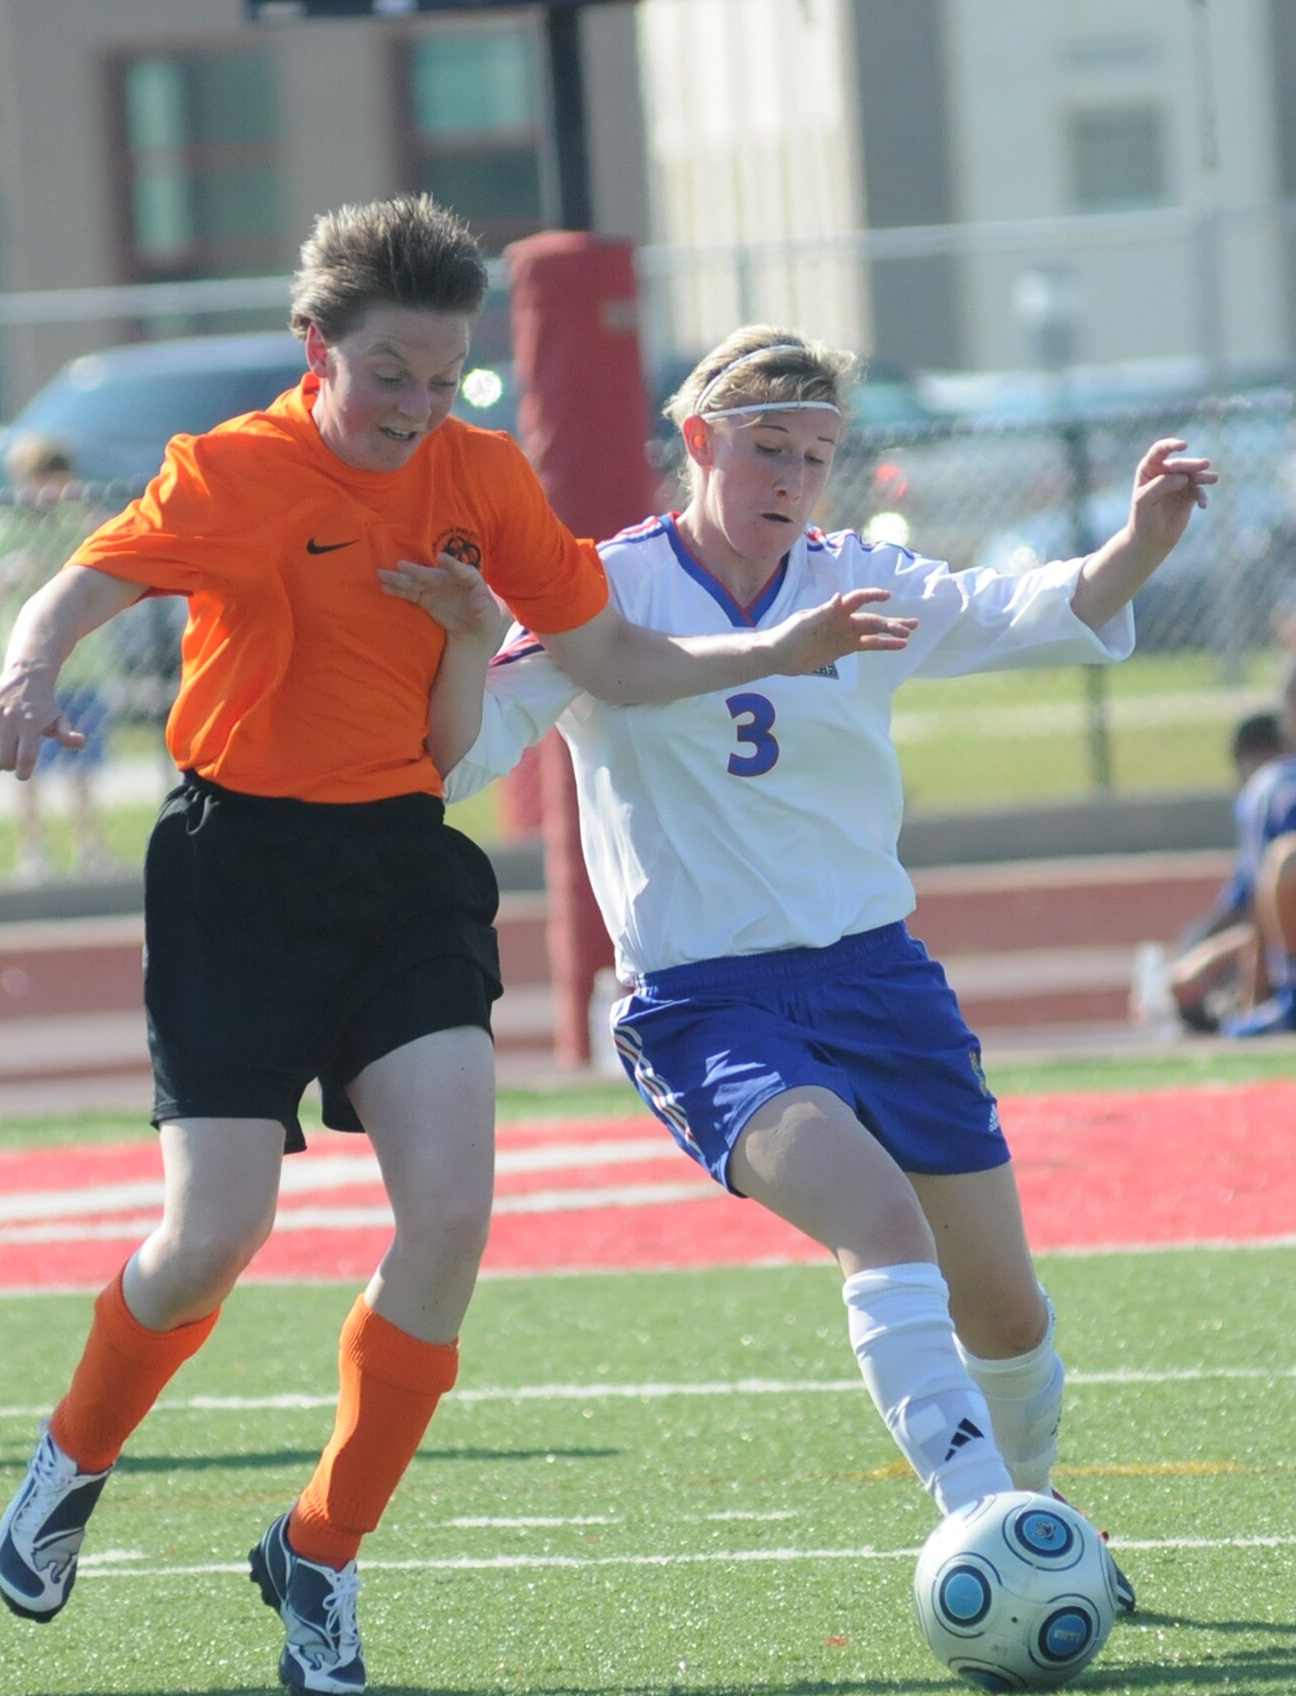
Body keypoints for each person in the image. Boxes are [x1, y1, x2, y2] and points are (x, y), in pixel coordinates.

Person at [0, 210, 906, 1696]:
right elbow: (83, 581)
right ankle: (74, 1453)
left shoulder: (483, 478)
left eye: (444, 376)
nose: (416, 405)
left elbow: (608, 658)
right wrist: (26, 668)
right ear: (315, 350)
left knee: (453, 1214)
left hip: (403, 871)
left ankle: (320, 1551)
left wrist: (772, 652)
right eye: (387, 373)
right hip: (236, 876)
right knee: (214, 1232)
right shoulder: (235, 470)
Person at [392, 324, 1218, 1606]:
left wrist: (1141, 541)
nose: (790, 475)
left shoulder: (860, 576)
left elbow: (1040, 608)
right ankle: (988, 1523)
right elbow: (454, 759)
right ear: (701, 443)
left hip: (880, 979)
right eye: (767, 446)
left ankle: (1036, 1511)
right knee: (878, 1226)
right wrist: (458, 639)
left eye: (816, 454)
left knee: (1004, 1309)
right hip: (706, 1002)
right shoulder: (600, 591)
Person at [0, 437, 113, 880]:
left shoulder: (76, 518)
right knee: (27, 769)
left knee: (83, 768)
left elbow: (116, 546)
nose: (52, 491)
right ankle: (33, 852)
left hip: (82, 667)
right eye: (44, 480)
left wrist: (83, 512)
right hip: (23, 675)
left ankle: (90, 847)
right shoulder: (5, 522)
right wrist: (7, 571)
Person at [1165, 706, 1295, 1033]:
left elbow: (1266, 910)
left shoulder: (1274, 790)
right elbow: (1252, 909)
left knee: (1287, 859)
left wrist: (1209, 961)